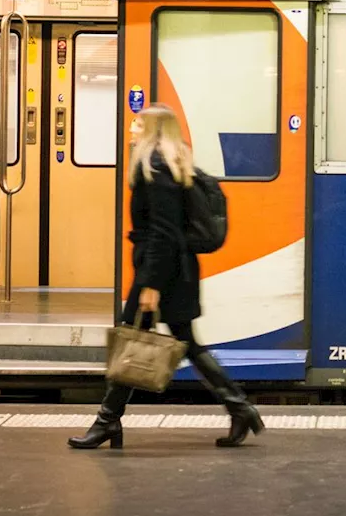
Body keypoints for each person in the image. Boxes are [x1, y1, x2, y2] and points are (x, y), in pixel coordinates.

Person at [69, 104, 263, 450]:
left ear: (153, 130)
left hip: (163, 271)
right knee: (184, 341)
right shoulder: (172, 162)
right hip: (177, 268)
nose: (130, 129)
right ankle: (239, 408)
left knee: (130, 341)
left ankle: (107, 422)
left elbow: (163, 231)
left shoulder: (155, 165)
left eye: (137, 124)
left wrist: (151, 284)